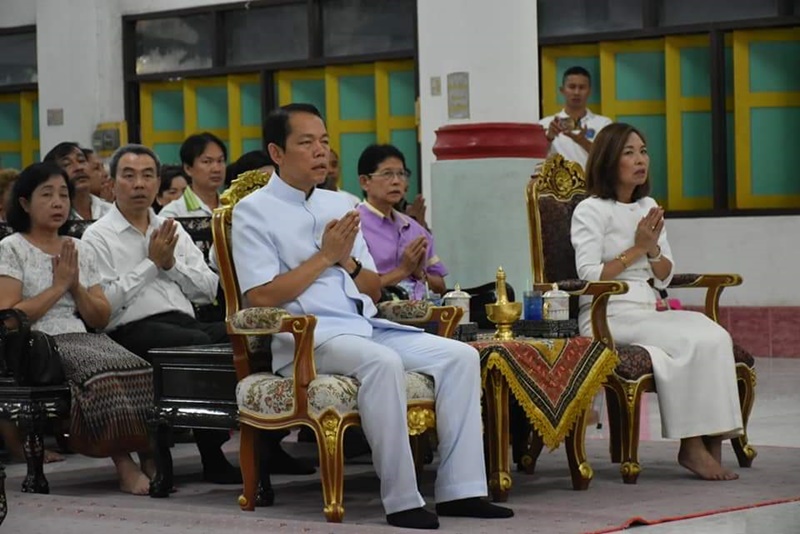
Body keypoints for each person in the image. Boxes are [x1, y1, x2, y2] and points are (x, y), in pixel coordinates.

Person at [232, 103, 513, 529]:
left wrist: (344, 263)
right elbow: (260, 296)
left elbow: (372, 286)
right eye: (306, 143)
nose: (320, 152)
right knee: (384, 364)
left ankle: (461, 491)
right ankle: (402, 500)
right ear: (276, 152)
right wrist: (324, 256)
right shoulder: (253, 211)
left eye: (324, 141)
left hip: (364, 326)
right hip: (310, 338)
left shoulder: (342, 204)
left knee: (460, 357)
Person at [570, 122, 743, 481]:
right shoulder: (590, 210)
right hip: (608, 313)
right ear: (607, 160)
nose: (640, 159)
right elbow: (588, 276)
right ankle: (690, 446)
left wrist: (651, 248)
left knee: (713, 335)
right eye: (629, 152)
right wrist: (639, 247)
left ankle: (710, 440)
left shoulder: (648, 206)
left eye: (644, 151)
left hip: (647, 308)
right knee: (688, 339)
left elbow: (663, 274)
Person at [81, 144, 241, 485]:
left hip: (184, 322)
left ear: (157, 182)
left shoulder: (172, 228)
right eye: (129, 176)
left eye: (147, 175)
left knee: (246, 335)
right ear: (111, 184)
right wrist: (151, 264)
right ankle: (204, 457)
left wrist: (170, 264)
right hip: (130, 331)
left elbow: (207, 289)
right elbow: (105, 307)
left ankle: (265, 446)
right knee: (194, 346)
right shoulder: (97, 236)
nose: (139, 184)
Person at [0, 162, 154, 494]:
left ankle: (151, 457)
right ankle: (124, 465)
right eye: (47, 195)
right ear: (24, 203)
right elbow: (9, 317)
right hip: (33, 343)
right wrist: (57, 287)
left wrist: (76, 288)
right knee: (97, 374)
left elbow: (99, 317)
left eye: (63, 195)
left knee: (136, 366)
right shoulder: (11, 248)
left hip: (80, 335)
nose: (58, 203)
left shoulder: (78, 247)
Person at [356, 144, 447, 300]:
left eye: (401, 174)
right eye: (387, 174)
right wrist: (403, 270)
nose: (396, 181)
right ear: (365, 182)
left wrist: (420, 274)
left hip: (425, 313)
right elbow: (358, 289)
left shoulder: (414, 228)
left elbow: (441, 287)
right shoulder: (355, 226)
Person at [539, 66, 612, 170]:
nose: (576, 92)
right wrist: (549, 138)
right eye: (572, 87)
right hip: (558, 184)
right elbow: (535, 159)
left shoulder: (604, 124)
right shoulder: (545, 124)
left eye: (582, 87)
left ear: (589, 91)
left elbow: (609, 158)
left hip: (591, 185)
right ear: (562, 90)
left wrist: (582, 141)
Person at [159, 133, 226, 218]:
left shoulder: (233, 207)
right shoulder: (172, 214)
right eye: (207, 161)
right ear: (188, 169)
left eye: (220, 161)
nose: (217, 169)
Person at [43, 142, 112, 221]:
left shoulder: (110, 211)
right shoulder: (53, 217)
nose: (79, 168)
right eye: (67, 164)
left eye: (81, 161)